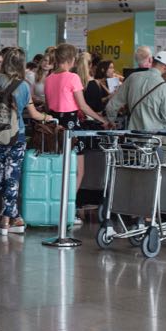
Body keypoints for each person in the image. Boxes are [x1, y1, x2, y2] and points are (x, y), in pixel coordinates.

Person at [0, 48, 56, 235]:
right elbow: (33, 114)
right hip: (16, 136)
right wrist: (48, 117)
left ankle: (7, 219)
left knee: (0, 178)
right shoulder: (23, 86)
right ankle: (11, 218)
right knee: (12, 177)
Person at [44, 44, 111, 224]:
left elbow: (48, 104)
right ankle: (67, 209)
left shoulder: (49, 78)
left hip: (53, 125)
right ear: (71, 59)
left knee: (57, 169)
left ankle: (54, 206)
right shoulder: (73, 77)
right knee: (78, 171)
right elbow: (83, 106)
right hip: (71, 125)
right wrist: (102, 119)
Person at [106, 51, 166, 131]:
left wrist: (111, 121)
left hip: (134, 135)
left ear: (152, 61)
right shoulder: (165, 87)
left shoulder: (133, 78)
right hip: (156, 138)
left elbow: (111, 106)